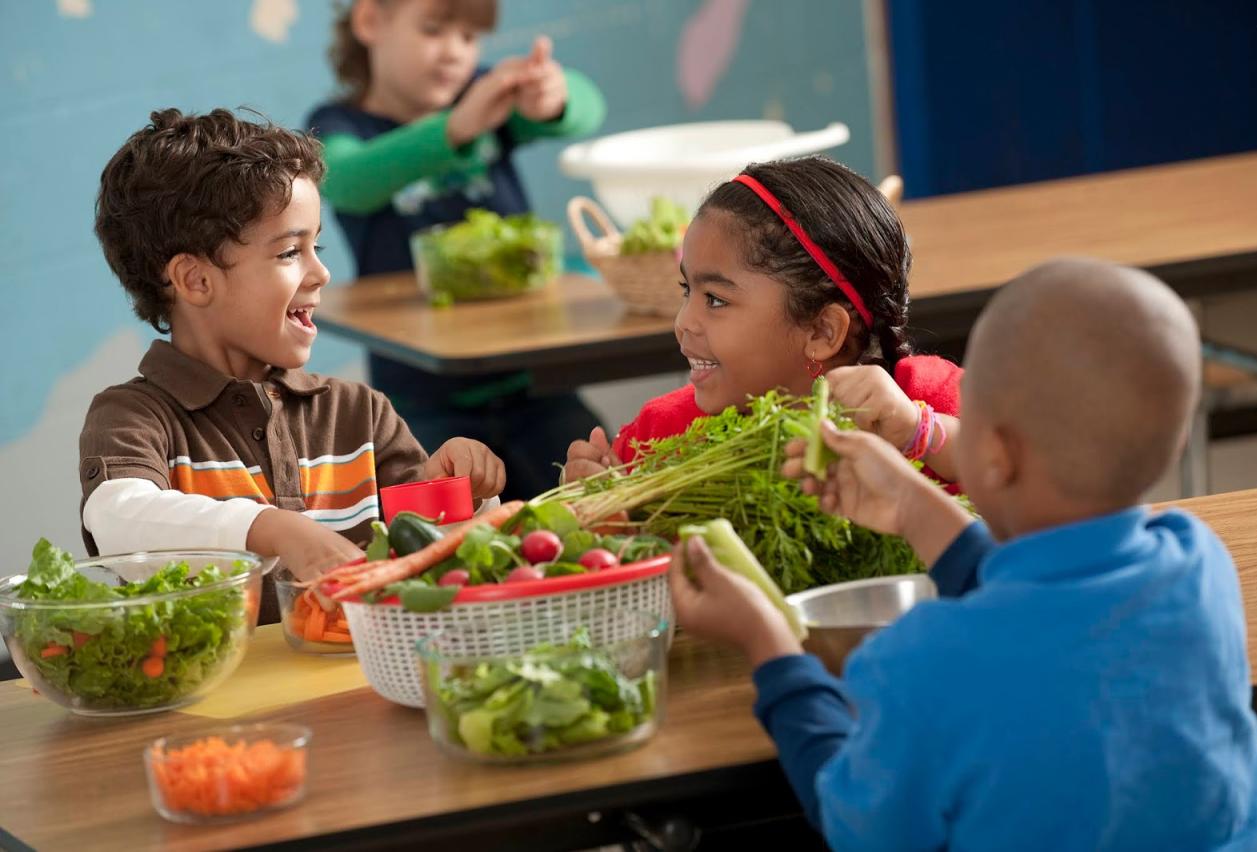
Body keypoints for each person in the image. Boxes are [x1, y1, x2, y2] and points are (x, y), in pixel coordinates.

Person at [672, 258, 1257, 850]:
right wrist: (914, 506)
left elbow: (856, 824)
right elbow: (1052, 605)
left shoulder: (927, 660)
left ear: (994, 453)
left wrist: (771, 646)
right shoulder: (1200, 565)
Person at [81, 108, 505, 588]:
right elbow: (118, 519)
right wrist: (273, 528)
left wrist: (459, 488)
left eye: (316, 249)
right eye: (289, 252)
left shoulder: (360, 414)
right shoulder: (134, 417)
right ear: (195, 280)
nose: (321, 274)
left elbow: (432, 558)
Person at [307, 0, 608, 498]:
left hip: (535, 384)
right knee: (440, 524)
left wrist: (551, 98)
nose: (454, 53)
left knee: (602, 488)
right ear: (370, 22)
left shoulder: (485, 96)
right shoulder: (339, 124)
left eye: (469, 39)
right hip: (420, 397)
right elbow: (347, 179)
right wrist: (457, 126)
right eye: (433, 30)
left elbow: (586, 106)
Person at [564, 156, 962, 488]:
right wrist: (598, 513)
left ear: (823, 332)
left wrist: (922, 435)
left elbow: (1015, 469)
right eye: (688, 291)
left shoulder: (927, 400)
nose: (684, 322)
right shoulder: (659, 436)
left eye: (716, 299)